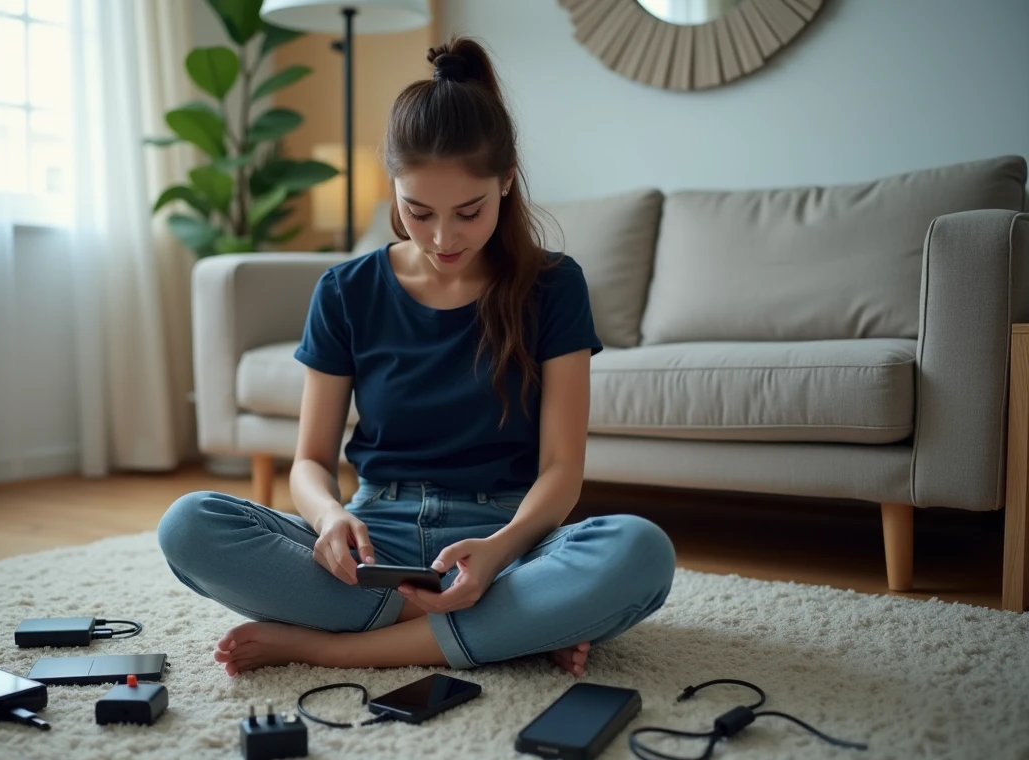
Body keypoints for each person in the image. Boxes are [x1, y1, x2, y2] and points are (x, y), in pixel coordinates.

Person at [157, 36, 675, 679]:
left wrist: (497, 550)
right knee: (189, 525)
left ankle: (335, 646)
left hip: (507, 542)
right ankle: (508, 630)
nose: (442, 237)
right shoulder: (346, 290)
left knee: (640, 551)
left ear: (506, 181)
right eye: (418, 210)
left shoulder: (554, 284)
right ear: (393, 187)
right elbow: (311, 463)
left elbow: (563, 470)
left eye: (468, 212)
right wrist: (330, 519)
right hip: (377, 540)